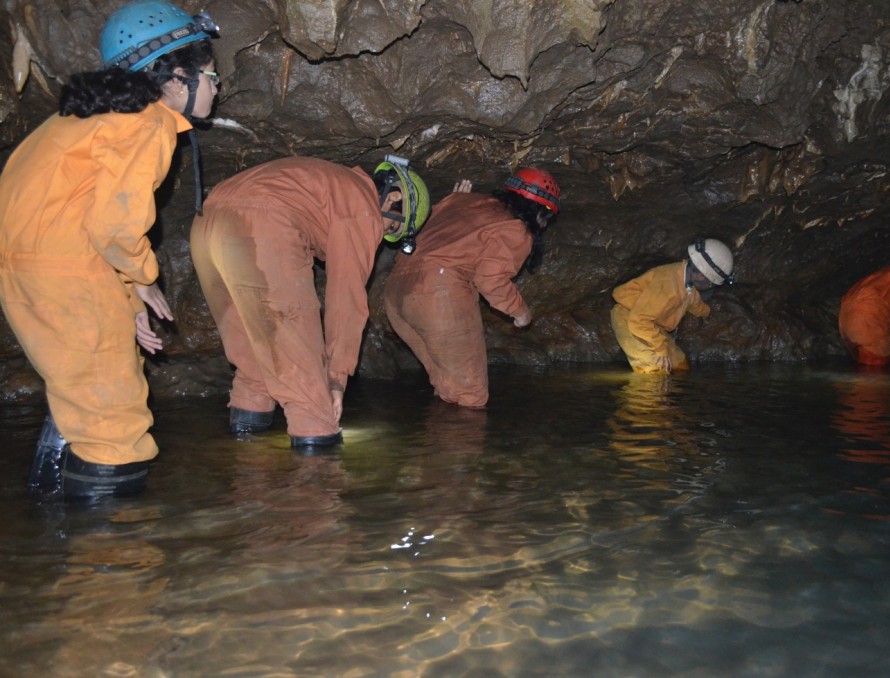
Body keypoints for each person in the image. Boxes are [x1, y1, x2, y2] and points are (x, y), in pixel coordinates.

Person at [0, 1, 220, 499]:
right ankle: (111, 562)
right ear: (176, 75)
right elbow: (115, 226)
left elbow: (79, 223)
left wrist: (127, 305)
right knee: (114, 421)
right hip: (65, 273)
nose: (215, 90)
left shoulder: (83, 121)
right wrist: (144, 277)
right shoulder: (146, 124)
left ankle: (51, 513)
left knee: (84, 394)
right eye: (211, 78)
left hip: (39, 270)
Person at [190, 155, 430, 448]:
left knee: (254, 364)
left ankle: (249, 462)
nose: (381, 237)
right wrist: (335, 378)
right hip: (264, 223)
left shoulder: (331, 186)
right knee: (308, 384)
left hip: (207, 219)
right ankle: (316, 478)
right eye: (391, 228)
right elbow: (347, 297)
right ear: (393, 198)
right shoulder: (362, 206)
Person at [383, 168, 560, 408]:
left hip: (396, 292)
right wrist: (520, 312)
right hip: (437, 293)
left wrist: (455, 200)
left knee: (446, 384)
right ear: (541, 211)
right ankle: (462, 446)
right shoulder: (516, 228)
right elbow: (491, 280)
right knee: (470, 394)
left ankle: (434, 445)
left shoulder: (462, 201)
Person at [611, 238, 735, 374]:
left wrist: (708, 313)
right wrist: (660, 349)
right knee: (655, 371)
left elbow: (694, 303)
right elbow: (639, 320)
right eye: (711, 283)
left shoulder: (687, 282)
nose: (710, 287)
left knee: (680, 366)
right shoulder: (667, 287)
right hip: (630, 317)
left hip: (651, 323)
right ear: (700, 275)